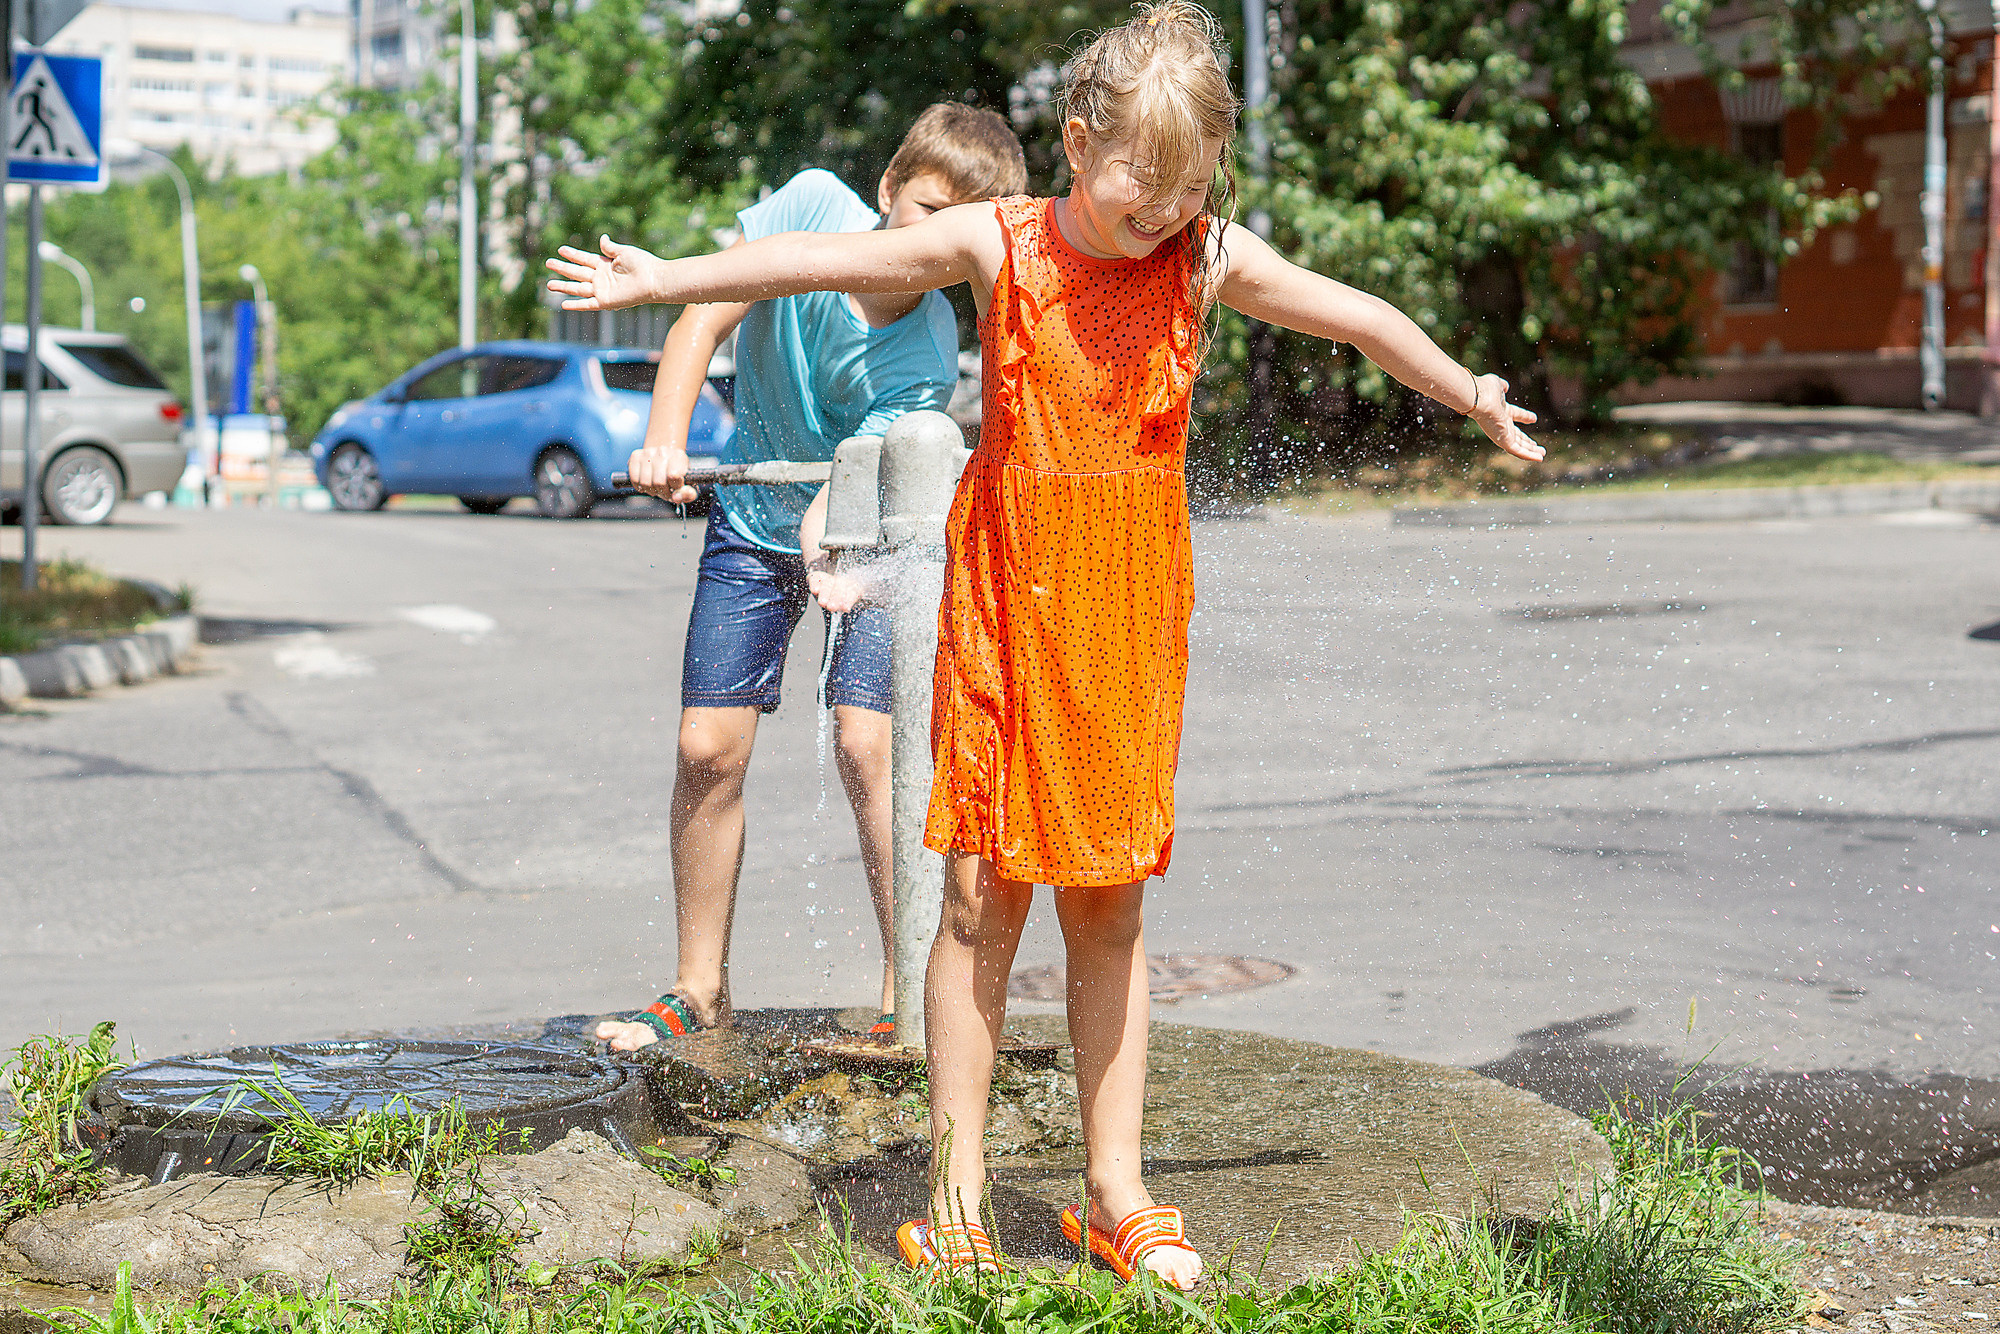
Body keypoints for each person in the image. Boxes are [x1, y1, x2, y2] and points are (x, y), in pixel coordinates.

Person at [549, 0, 1542, 1287]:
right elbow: (807, 267)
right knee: (975, 899)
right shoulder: (996, 242)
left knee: (1113, 902)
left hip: (1128, 616)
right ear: (1077, 141)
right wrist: (664, 283)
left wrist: (1467, 392)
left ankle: (1113, 1186)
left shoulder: (1201, 257)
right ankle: (956, 1194)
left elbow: (1353, 313)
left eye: (1191, 187)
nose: (1165, 208)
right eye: (1145, 178)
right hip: (1005, 604)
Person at [595, 104, 1028, 1054]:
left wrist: (832, 536)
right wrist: (665, 437)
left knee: (870, 746)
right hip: (752, 516)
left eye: (968, 228)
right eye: (925, 209)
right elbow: (702, 318)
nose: (937, 240)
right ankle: (697, 987)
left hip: (868, 530)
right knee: (707, 748)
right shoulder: (812, 206)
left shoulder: (924, 348)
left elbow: (862, 477)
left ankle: (907, 993)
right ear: (886, 191)